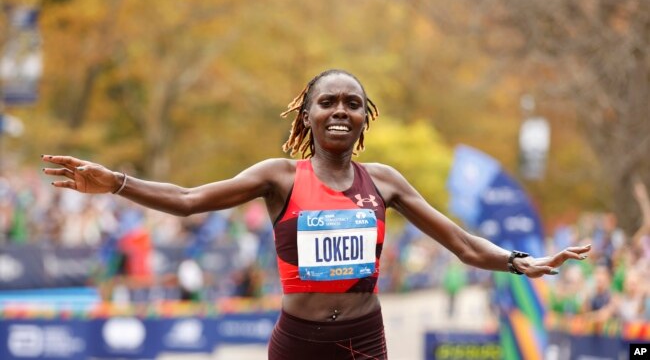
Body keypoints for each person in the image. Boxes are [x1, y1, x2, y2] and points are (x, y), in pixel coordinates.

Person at [42, 69, 590, 359]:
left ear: (363, 119)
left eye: (352, 103)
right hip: (298, 343)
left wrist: (521, 262)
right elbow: (188, 199)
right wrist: (115, 182)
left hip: (364, 339)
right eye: (328, 101)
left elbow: (462, 243)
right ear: (307, 115)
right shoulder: (279, 177)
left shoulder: (387, 183)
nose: (340, 110)